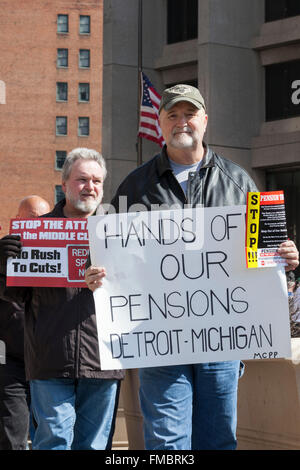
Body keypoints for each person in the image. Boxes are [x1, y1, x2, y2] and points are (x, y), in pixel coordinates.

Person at [85, 85, 299, 450]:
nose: (181, 121)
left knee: (218, 440)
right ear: (161, 122)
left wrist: (285, 259)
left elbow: (263, 258)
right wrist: (99, 276)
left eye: (189, 114)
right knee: (167, 443)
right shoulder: (135, 185)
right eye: (172, 114)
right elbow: (112, 257)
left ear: (204, 120)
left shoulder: (239, 181)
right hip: (159, 341)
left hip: (222, 340)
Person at [0, 148, 124, 450]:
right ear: (65, 183)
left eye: (96, 180)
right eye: (82, 179)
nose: (90, 187)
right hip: (49, 361)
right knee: (52, 442)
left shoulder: (120, 232)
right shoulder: (35, 233)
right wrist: (4, 265)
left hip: (104, 361)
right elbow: (13, 296)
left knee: (94, 447)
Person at [0, 195, 50, 450]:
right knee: (13, 431)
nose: (39, 224)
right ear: (17, 220)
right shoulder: (4, 252)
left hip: (46, 358)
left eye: (44, 219)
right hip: (10, 358)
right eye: (32, 218)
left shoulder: (56, 254)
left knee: (51, 431)